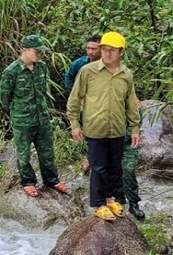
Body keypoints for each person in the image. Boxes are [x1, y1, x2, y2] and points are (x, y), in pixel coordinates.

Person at [67, 31, 140, 221]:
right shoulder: (88, 71)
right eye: (105, 49)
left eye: (112, 50)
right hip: (95, 128)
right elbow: (74, 99)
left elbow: (131, 103)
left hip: (116, 128)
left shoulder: (126, 75)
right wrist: (74, 124)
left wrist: (135, 128)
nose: (107, 53)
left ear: (121, 52)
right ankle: (98, 204)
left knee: (114, 167)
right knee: (98, 167)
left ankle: (109, 199)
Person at [0, 34, 69, 197]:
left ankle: (51, 180)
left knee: (47, 150)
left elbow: (42, 91)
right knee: (24, 153)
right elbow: (3, 97)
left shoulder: (41, 67)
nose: (40, 55)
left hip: (42, 117)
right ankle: (28, 181)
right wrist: (17, 112)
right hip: (22, 120)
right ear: (24, 50)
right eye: (36, 51)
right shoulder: (12, 71)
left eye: (41, 52)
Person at [64, 36, 101, 175]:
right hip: (85, 105)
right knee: (87, 130)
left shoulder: (108, 65)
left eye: (94, 49)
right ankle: (89, 157)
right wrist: (76, 95)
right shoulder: (80, 64)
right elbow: (68, 77)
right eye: (88, 48)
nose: (90, 52)